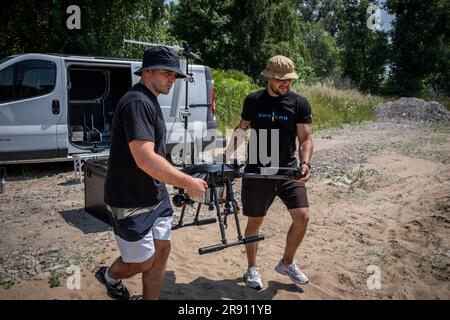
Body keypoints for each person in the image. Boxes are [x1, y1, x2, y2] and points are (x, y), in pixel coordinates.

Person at [95, 46, 208, 300]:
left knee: (162, 250)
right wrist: (187, 181)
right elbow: (145, 158)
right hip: (129, 199)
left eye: (175, 75)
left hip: (155, 196)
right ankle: (109, 276)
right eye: (167, 72)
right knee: (143, 261)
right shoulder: (137, 102)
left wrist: (177, 177)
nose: (173, 78)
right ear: (146, 72)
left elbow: (156, 153)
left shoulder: (150, 100)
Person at [224, 55, 313, 290]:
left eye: (289, 80)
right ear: (268, 78)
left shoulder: (299, 103)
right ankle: (252, 267)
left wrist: (306, 163)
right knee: (255, 221)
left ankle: (287, 262)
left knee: (302, 217)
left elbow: (305, 138)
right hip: (258, 171)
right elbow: (242, 130)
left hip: (288, 170)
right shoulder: (253, 100)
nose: (285, 84)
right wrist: (226, 156)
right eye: (280, 80)